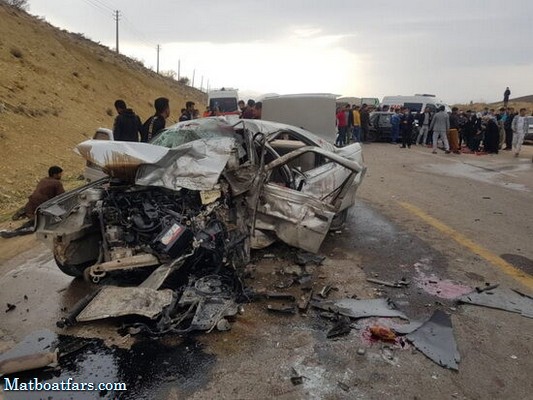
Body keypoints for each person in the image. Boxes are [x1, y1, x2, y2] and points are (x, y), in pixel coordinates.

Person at [2, 166, 65, 238]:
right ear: (55, 175)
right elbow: (62, 197)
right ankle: (14, 233)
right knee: (37, 225)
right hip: (41, 208)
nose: (61, 175)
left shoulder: (43, 180)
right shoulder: (57, 183)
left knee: (34, 220)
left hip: (30, 205)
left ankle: (23, 217)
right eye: (60, 174)